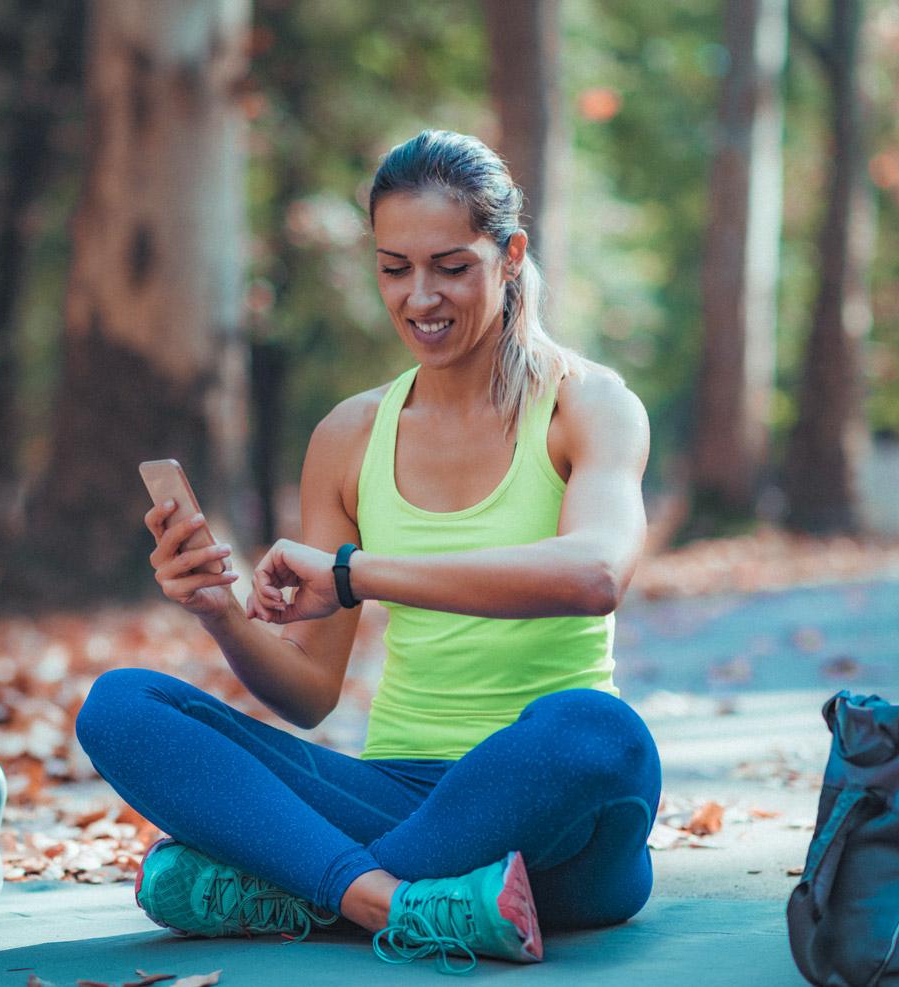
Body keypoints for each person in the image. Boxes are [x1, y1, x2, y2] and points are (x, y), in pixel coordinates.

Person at [75, 129, 660, 974]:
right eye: (395, 268)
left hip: (555, 815)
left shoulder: (588, 404)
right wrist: (221, 617)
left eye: (451, 266)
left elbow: (596, 573)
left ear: (510, 255)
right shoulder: (350, 435)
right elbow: (310, 694)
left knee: (600, 732)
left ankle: (309, 884)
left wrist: (354, 574)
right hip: (396, 788)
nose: (420, 297)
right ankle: (390, 902)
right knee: (122, 706)